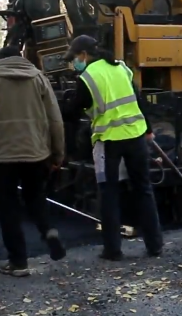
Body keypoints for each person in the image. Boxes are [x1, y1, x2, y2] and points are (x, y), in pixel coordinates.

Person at [62, 35, 163, 261]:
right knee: (143, 190)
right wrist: (147, 128)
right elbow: (138, 99)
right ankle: (155, 245)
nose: (75, 63)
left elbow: (73, 112)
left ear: (84, 55)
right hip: (135, 136)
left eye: (75, 58)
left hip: (109, 141)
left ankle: (112, 250)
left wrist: (62, 106)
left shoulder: (87, 77)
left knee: (109, 194)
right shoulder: (122, 69)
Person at [0, 46, 67, 277]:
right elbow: (55, 119)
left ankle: (18, 262)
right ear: (21, 57)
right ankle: (48, 231)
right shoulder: (39, 78)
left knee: (8, 207)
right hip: (36, 152)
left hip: (1, 156)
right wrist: (57, 153)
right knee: (36, 198)